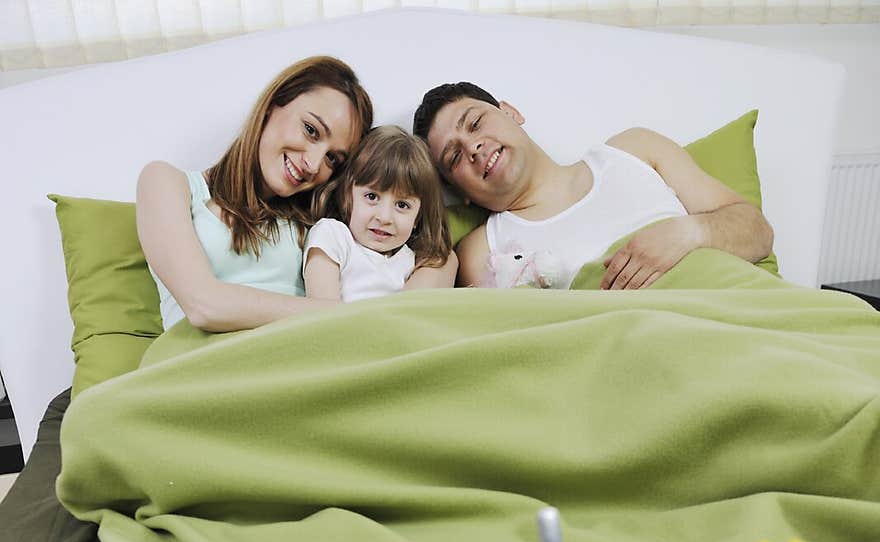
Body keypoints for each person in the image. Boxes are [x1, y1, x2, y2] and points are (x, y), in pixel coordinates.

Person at [412, 81, 774, 291]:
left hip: (725, 312)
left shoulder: (634, 151)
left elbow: (757, 232)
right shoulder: (481, 250)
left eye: (475, 123)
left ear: (511, 112)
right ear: (457, 190)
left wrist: (687, 234)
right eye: (454, 158)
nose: (472, 148)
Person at [136, 55, 373, 332]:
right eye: (311, 130)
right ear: (273, 105)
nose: (313, 163)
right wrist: (333, 312)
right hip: (200, 367)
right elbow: (204, 306)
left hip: (297, 365)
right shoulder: (167, 183)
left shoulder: (319, 225)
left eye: (333, 159)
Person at [303, 126, 456, 301]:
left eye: (402, 205)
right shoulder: (332, 236)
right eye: (372, 196)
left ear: (417, 218)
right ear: (348, 197)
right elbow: (320, 311)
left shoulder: (411, 262)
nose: (384, 218)